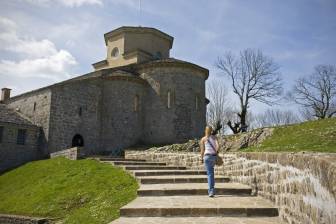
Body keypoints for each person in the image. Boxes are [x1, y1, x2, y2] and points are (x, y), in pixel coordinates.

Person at [200, 126, 219, 197]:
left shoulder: (203, 139)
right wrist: (216, 153)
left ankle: (211, 191)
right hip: (213, 156)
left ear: (205, 130)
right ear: (211, 130)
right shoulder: (215, 138)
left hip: (207, 157)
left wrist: (201, 158)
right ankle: (212, 190)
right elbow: (218, 146)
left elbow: (202, 150)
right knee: (211, 173)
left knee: (210, 174)